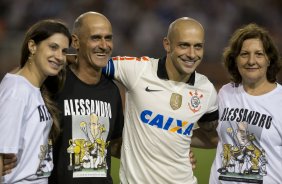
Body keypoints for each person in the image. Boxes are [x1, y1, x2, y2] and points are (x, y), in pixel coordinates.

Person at [103, 17, 219, 184]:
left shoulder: (206, 89)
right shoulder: (138, 71)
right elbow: (88, 64)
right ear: (167, 44)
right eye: (184, 45)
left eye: (198, 46)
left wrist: (177, 142)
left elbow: (213, 138)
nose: (192, 54)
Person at [49, 12, 124, 184]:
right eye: (96, 38)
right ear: (75, 42)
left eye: (108, 38)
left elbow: (113, 143)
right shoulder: (55, 83)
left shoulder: (111, 91)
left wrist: (169, 154)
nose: (104, 45)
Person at [0, 19, 72, 183]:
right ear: (32, 46)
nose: (60, 57)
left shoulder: (35, 89)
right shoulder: (17, 90)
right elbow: (2, 155)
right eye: (53, 47)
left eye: (64, 51)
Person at [209, 23, 282, 184]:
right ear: (235, 60)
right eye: (244, 54)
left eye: (259, 54)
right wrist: (181, 147)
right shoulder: (225, 93)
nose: (251, 61)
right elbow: (213, 137)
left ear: (269, 59)